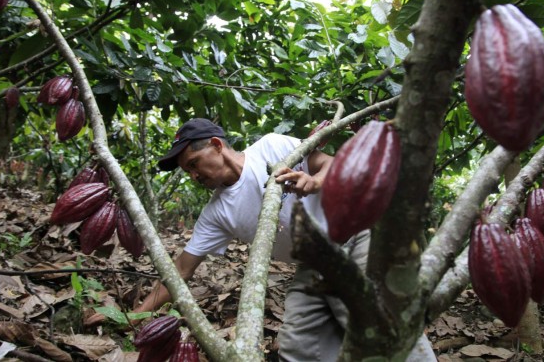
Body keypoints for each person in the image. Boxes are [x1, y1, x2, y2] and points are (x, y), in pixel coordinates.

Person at [85, 118, 436, 361]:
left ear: (217, 145)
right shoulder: (216, 213)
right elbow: (182, 269)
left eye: (194, 163)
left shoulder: (271, 148)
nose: (193, 175)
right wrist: (133, 317)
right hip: (314, 263)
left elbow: (333, 163)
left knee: (373, 320)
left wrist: (313, 182)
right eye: (187, 171)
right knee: (300, 346)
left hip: (356, 236)